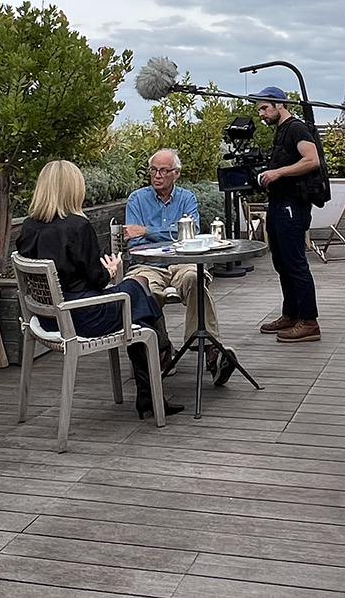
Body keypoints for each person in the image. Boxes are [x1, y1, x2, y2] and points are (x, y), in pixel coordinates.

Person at [14, 159, 184, 419]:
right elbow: (96, 280)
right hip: (81, 317)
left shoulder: (29, 226)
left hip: (46, 318)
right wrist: (111, 270)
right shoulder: (77, 227)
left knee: (137, 290)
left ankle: (154, 374)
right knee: (138, 291)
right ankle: (159, 354)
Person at [123, 149, 239, 387]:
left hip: (182, 260)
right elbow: (133, 241)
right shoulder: (137, 199)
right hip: (148, 264)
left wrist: (147, 230)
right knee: (144, 292)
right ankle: (162, 350)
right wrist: (167, 234)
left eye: (163, 171)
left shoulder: (187, 198)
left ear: (175, 173)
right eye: (153, 170)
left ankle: (210, 352)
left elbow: (190, 236)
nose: (157, 176)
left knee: (195, 279)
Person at [254, 86, 323, 343]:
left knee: (295, 264)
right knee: (282, 263)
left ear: (279, 105)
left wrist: (278, 173)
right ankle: (291, 314)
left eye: (264, 108)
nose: (262, 114)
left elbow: (312, 159)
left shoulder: (296, 128)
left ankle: (309, 321)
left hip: (293, 205)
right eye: (260, 109)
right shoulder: (282, 131)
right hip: (279, 202)